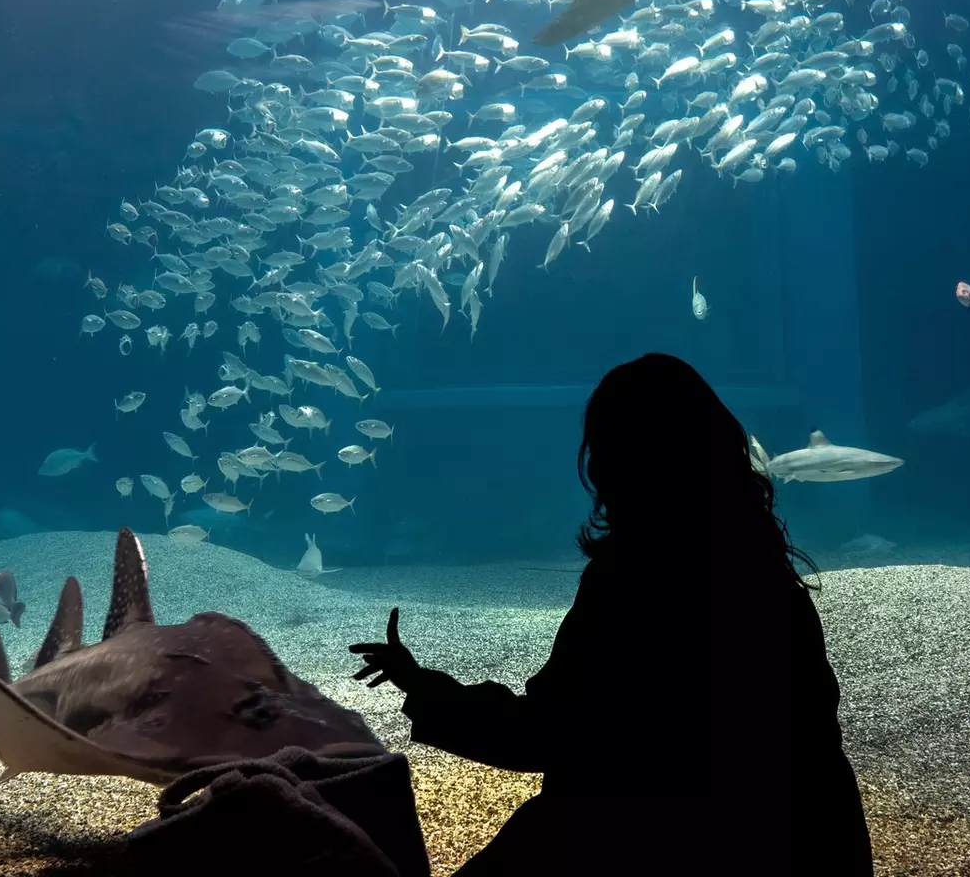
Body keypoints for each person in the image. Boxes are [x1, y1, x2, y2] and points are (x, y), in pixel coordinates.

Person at [350, 353, 873, 875]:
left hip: (637, 835)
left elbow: (548, 731)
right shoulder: (766, 571)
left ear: (611, 463)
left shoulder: (632, 579)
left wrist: (421, 687)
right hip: (807, 839)